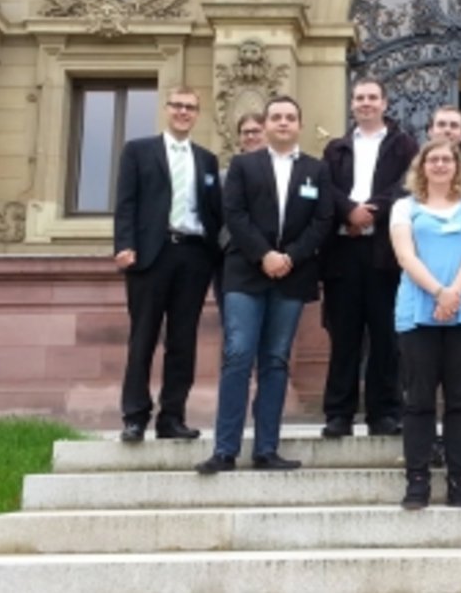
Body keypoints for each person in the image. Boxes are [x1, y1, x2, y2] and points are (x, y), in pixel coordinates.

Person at [197, 97, 333, 474]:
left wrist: (290, 256)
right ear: (267, 125)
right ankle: (224, 450)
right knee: (238, 355)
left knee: (275, 360)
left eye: (291, 117)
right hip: (245, 273)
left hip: (292, 275)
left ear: (299, 125)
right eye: (277, 117)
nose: (283, 123)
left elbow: (322, 221)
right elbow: (234, 215)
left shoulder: (315, 170)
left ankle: (266, 449)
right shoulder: (244, 165)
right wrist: (264, 255)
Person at [112, 86, 223, 443]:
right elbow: (126, 202)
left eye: (190, 107)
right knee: (142, 336)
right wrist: (125, 244)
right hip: (150, 255)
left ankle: (172, 417)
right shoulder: (138, 150)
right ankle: (134, 416)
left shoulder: (206, 159)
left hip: (193, 256)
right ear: (166, 109)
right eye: (177, 105)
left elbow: (213, 210)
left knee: (183, 340)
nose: (183, 112)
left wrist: (216, 254)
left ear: (197, 113)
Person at [390, 138, 461, 510]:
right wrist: (439, 292)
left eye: (447, 159)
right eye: (433, 159)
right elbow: (405, 254)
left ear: (456, 166)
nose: (440, 165)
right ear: (422, 165)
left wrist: (454, 294)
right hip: (418, 313)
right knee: (418, 400)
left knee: (460, 401)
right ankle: (417, 481)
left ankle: (460, 480)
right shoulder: (404, 207)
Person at [320, 77, 419, 438]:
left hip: (385, 254)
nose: (365, 103)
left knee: (385, 337)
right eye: (359, 97)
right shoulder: (336, 148)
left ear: (385, 103)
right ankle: (338, 414)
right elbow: (324, 186)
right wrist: (349, 211)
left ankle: (384, 413)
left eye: (372, 97)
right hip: (343, 251)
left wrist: (373, 211)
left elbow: (408, 184)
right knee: (344, 336)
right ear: (352, 104)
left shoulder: (404, 144)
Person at [212, 112, 268, 325]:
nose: (251, 136)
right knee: (235, 333)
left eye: (256, 131)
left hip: (271, 260)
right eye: (245, 132)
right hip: (230, 260)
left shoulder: (285, 172)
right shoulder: (223, 177)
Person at [427, 105, 461, 172]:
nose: (447, 130)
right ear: (430, 132)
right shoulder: (416, 163)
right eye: (441, 124)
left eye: (454, 125)